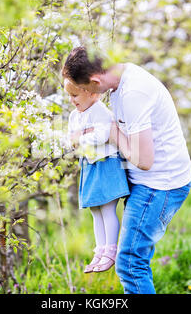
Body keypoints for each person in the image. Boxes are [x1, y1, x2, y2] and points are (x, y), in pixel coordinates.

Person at [62, 47, 191, 293]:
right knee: (130, 260)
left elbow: (144, 161)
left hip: (159, 185)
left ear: (95, 81)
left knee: (130, 263)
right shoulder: (119, 80)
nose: (87, 95)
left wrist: (111, 132)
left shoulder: (134, 92)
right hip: (146, 180)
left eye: (86, 90)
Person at [65, 78, 130, 273]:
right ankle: (100, 249)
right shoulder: (73, 116)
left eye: (75, 95)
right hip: (90, 165)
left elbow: (102, 135)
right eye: (69, 95)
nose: (71, 100)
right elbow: (70, 140)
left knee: (107, 209)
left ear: (92, 92)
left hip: (106, 163)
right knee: (95, 210)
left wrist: (80, 137)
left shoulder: (100, 111)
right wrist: (79, 138)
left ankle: (111, 249)